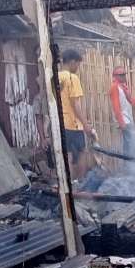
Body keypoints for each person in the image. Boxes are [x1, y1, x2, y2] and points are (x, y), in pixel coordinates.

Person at [59, 49, 94, 179]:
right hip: (72, 124)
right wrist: (85, 124)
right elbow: (75, 104)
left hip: (60, 124)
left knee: (67, 155)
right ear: (72, 61)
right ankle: (80, 184)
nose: (78, 68)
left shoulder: (54, 78)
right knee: (82, 153)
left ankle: (70, 186)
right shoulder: (72, 78)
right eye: (78, 64)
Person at [109, 66, 135, 156]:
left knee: (129, 143)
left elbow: (131, 102)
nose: (124, 77)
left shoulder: (123, 87)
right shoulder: (114, 88)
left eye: (124, 74)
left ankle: (129, 165)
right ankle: (129, 165)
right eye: (121, 75)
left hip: (128, 119)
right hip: (124, 120)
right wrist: (122, 123)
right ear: (115, 76)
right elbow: (116, 107)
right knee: (131, 144)